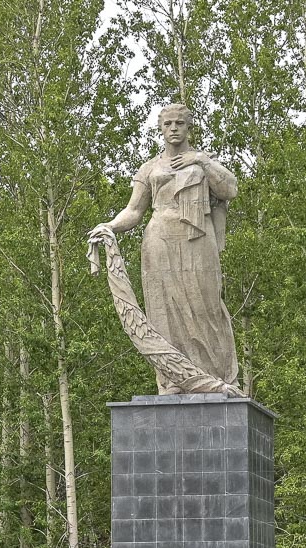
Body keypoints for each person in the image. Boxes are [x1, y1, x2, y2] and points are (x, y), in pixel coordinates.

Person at [90, 103, 239, 394]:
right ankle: (173, 381)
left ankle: (216, 378)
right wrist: (109, 226)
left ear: (188, 127)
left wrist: (200, 161)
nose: (174, 129)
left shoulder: (203, 161)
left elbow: (230, 189)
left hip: (197, 238)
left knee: (206, 307)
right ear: (160, 128)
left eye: (179, 124)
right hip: (159, 240)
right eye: (168, 124)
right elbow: (133, 211)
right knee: (164, 311)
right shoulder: (150, 168)